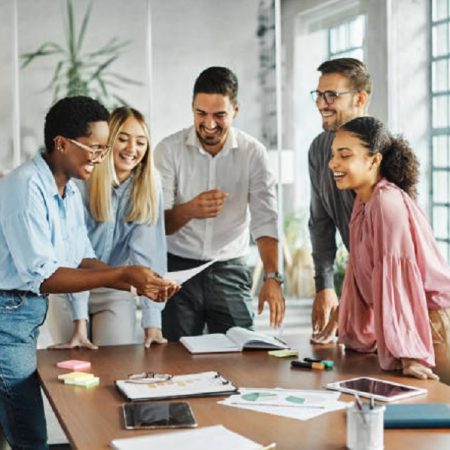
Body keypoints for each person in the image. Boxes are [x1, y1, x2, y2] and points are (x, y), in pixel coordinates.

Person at [0, 96, 178, 449]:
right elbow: (45, 276)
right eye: (95, 148)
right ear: (62, 144)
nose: (101, 157)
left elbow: (82, 256)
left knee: (19, 417)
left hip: (27, 311)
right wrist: (120, 275)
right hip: (9, 314)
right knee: (29, 431)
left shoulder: (65, 193)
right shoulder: (25, 188)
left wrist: (132, 277)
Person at [155, 66, 285, 341]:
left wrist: (273, 277)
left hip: (230, 267)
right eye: (201, 113)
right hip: (178, 268)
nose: (209, 123)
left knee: (241, 354)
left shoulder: (254, 153)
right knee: (176, 358)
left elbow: (265, 219)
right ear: (192, 108)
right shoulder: (168, 150)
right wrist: (191, 209)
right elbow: (158, 225)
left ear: (235, 110)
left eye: (219, 115)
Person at [319, 115, 450, 380]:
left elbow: (400, 281)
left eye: (345, 155)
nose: (333, 163)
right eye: (334, 155)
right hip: (411, 326)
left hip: (432, 327)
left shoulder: (386, 203)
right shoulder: (363, 203)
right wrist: (352, 333)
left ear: (374, 160)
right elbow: (359, 275)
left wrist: (409, 353)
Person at [46, 106, 169, 349]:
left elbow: (148, 256)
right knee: (74, 365)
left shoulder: (149, 187)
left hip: (114, 289)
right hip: (68, 289)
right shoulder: (81, 181)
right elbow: (74, 256)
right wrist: (79, 322)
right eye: (122, 139)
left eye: (141, 142)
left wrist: (152, 323)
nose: (132, 149)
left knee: (117, 361)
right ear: (106, 143)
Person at [308, 57, 372, 337]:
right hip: (361, 283)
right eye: (319, 95)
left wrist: (350, 301)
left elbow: (389, 249)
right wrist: (324, 285)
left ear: (359, 99)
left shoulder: (382, 151)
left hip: (394, 286)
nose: (322, 103)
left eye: (332, 95)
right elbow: (320, 222)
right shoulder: (319, 149)